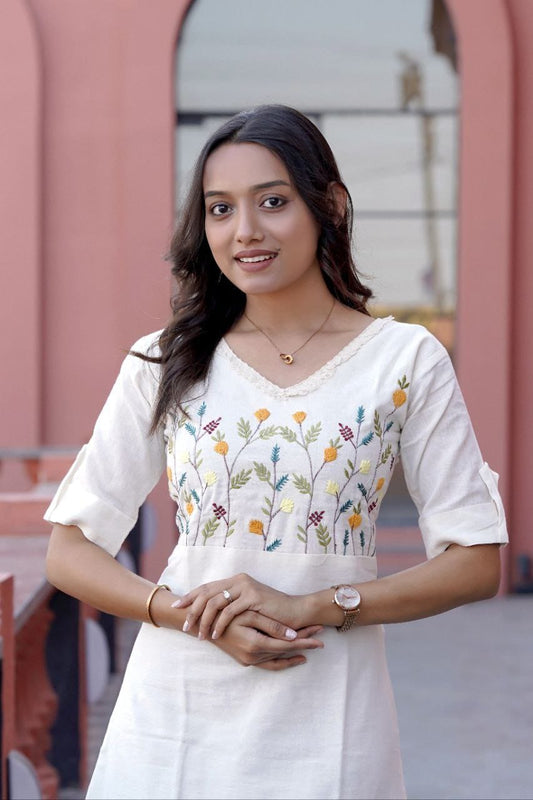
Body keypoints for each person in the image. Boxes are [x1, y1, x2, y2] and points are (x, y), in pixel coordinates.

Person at [45, 104, 508, 800]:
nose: (245, 231)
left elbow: (474, 563)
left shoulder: (402, 360)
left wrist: (318, 604)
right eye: (220, 209)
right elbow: (69, 550)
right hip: (175, 714)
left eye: (272, 202)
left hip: (328, 710)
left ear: (330, 205)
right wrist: (183, 613)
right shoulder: (165, 359)